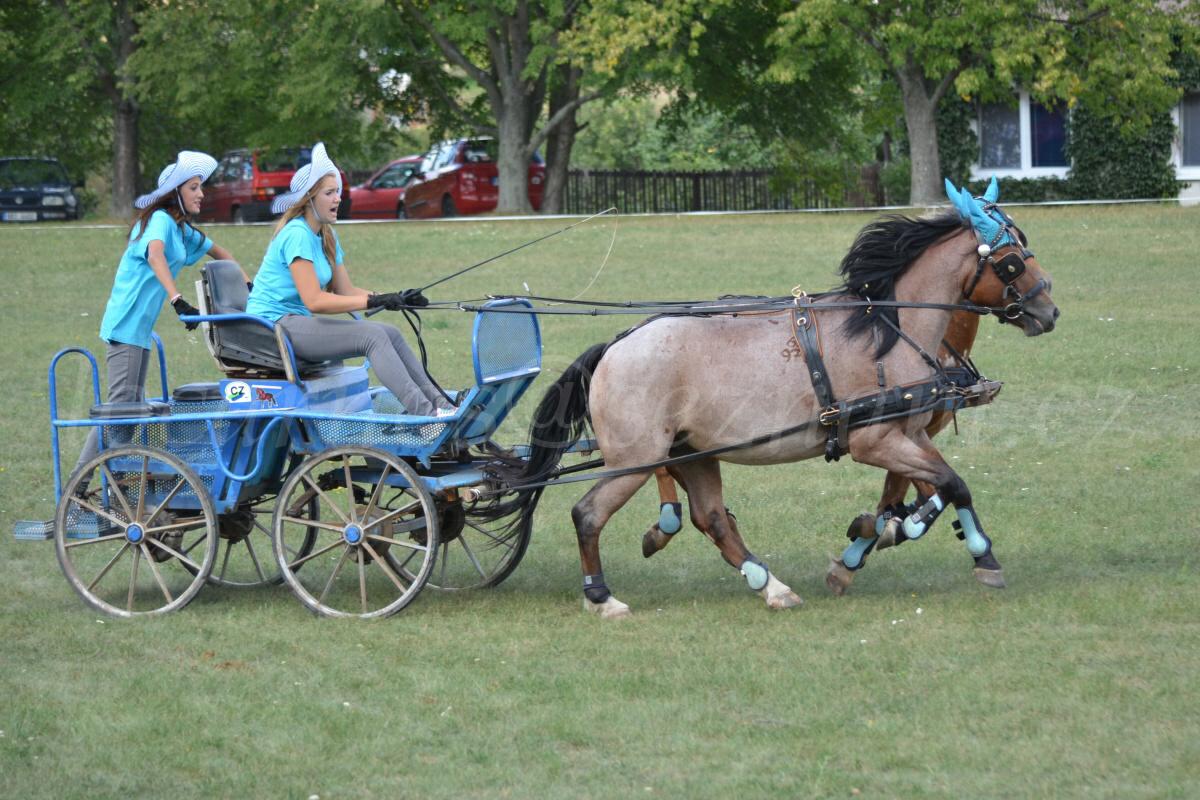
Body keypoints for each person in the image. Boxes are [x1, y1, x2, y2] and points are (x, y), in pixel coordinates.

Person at [245, 142, 453, 417]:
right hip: (274, 328)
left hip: (297, 323)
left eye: (338, 192)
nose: (337, 198)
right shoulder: (297, 234)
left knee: (390, 331)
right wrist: (374, 300)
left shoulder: (326, 235)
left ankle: (443, 406)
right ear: (309, 199)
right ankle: (426, 415)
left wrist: (394, 297)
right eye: (329, 193)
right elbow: (315, 300)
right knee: (373, 336)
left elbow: (346, 290)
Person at [73, 150, 242, 480]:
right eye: (194, 187)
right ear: (175, 192)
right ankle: (79, 488)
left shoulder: (181, 230)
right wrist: (177, 299)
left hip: (139, 332)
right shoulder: (160, 222)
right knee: (120, 410)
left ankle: (113, 485)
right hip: (125, 327)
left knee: (128, 413)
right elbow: (154, 255)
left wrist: (247, 286)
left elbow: (221, 252)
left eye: (200, 187)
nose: (201, 193)